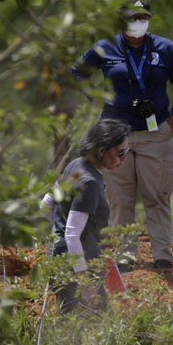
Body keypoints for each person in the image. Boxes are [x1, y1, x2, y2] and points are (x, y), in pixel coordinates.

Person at [71, 0, 173, 270]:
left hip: (155, 132)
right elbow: (77, 73)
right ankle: (125, 256)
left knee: (157, 195)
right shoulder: (104, 48)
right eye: (131, 17)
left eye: (142, 18)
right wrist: (95, 99)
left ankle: (162, 255)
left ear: (149, 19)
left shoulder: (165, 48)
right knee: (119, 198)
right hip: (114, 135)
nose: (137, 23)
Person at [40, 119, 131, 313]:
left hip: (59, 259)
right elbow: (72, 235)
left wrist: (59, 228)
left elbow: (46, 204)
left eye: (126, 151)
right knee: (90, 324)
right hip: (77, 267)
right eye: (120, 152)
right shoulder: (89, 183)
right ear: (102, 150)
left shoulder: (75, 165)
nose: (124, 158)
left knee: (75, 323)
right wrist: (85, 282)